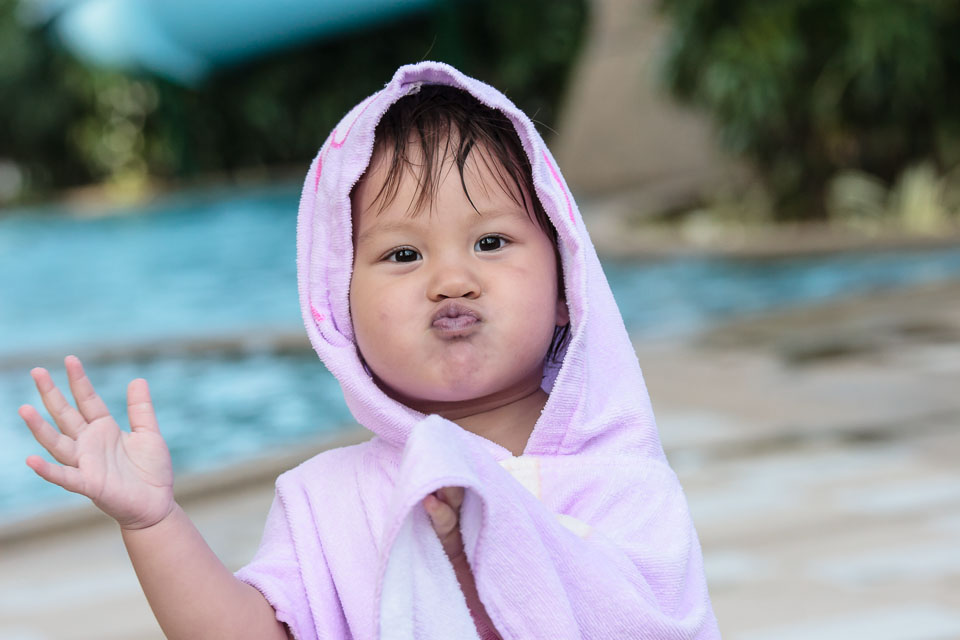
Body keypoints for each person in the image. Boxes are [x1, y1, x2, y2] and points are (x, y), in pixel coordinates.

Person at [18, 62, 720, 639]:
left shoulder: (620, 479)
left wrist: (486, 548)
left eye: (491, 242)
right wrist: (155, 522)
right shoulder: (330, 503)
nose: (452, 280)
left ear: (568, 282)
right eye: (404, 254)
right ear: (338, 308)